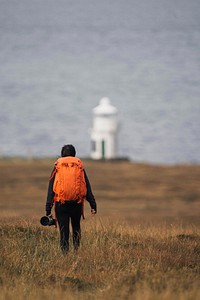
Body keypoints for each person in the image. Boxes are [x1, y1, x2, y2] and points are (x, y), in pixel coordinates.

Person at [45, 144, 97, 253]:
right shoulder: (78, 166)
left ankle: (65, 254)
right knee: (76, 227)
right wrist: (93, 205)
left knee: (64, 230)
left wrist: (48, 208)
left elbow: (51, 188)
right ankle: (76, 252)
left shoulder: (58, 166)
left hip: (61, 204)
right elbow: (86, 186)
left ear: (62, 154)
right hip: (76, 204)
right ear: (74, 154)